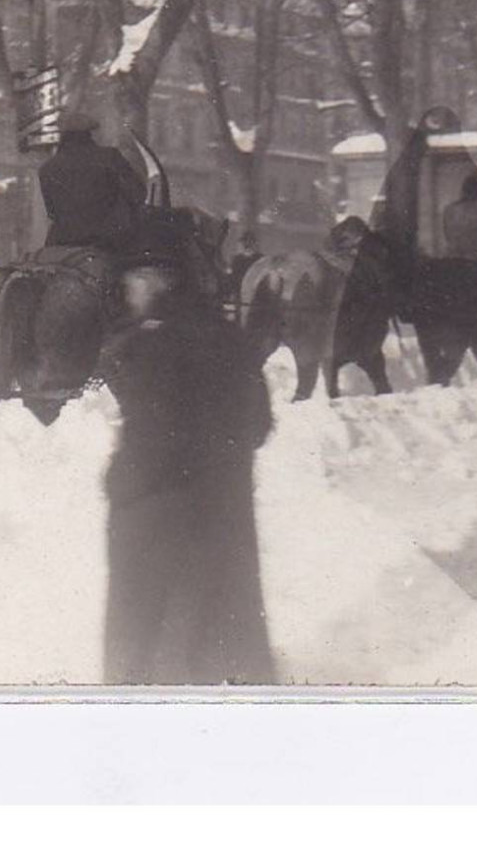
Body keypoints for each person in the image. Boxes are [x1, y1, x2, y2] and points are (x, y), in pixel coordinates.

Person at [99, 257, 276, 685]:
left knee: (147, 636)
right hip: (226, 513)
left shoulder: (149, 346)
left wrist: (118, 481)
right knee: (225, 632)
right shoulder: (234, 339)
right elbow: (259, 426)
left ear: (160, 281)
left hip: (162, 514)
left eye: (136, 279)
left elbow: (151, 438)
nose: (130, 290)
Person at [38, 111, 147, 255]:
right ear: (89, 134)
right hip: (110, 242)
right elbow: (138, 194)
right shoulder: (110, 157)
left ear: (62, 136)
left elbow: (52, 212)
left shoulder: (47, 169)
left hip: (64, 242)